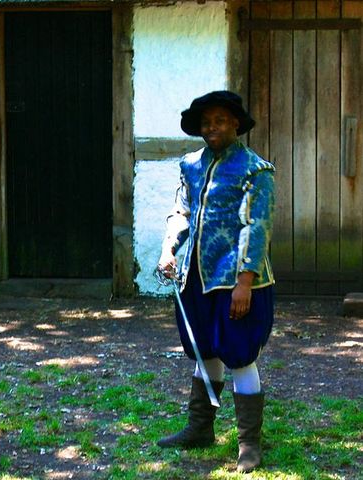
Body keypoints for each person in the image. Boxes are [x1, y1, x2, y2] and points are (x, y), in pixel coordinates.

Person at [156, 91, 275, 473]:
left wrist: (244, 282)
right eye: (206, 122)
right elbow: (182, 210)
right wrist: (169, 249)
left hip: (238, 282)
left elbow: (257, 229)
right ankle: (199, 428)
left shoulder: (256, 170)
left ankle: (249, 445)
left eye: (220, 120)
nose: (212, 128)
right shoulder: (190, 165)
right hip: (195, 277)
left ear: (236, 124)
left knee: (239, 356)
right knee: (204, 352)